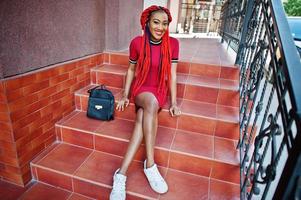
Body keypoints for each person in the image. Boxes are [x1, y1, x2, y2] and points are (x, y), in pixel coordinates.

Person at [110, 5, 181, 200]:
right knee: (148, 103)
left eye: (165, 23)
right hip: (141, 89)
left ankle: (121, 174)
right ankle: (150, 164)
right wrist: (125, 95)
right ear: (147, 23)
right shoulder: (137, 43)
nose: (160, 27)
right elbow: (131, 70)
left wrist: (174, 102)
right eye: (156, 22)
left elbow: (172, 75)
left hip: (159, 90)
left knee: (142, 118)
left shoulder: (173, 44)